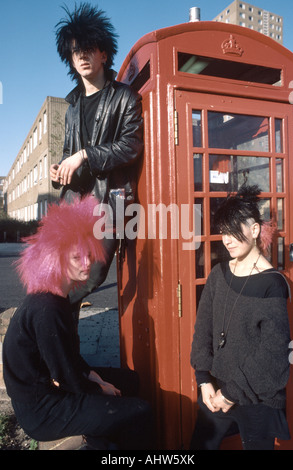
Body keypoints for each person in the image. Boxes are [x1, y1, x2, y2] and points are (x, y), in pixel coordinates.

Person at [2, 196, 153, 450]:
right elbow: (65, 375)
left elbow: (69, 360)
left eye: (89, 255)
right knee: (140, 410)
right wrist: (99, 390)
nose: (87, 264)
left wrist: (94, 376)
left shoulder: (56, 296)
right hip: (42, 410)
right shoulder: (47, 309)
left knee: (131, 380)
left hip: (50, 389)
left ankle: (102, 440)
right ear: (57, 258)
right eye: (76, 258)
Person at [50, 3, 143, 309]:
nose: (83, 56)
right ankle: (65, 348)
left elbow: (131, 146)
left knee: (94, 274)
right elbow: (68, 153)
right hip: (74, 202)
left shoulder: (125, 98)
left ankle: (50, 311)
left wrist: (85, 155)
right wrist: (60, 168)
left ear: (104, 54)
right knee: (68, 274)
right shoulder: (72, 106)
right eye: (76, 52)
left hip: (110, 203)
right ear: (70, 60)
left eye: (89, 49)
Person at [190, 185, 291, 450]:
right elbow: (203, 329)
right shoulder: (218, 273)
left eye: (234, 231)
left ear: (255, 230)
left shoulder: (272, 284)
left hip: (255, 397)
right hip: (216, 387)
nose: (227, 239)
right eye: (224, 231)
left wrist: (231, 394)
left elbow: (274, 353)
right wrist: (203, 379)